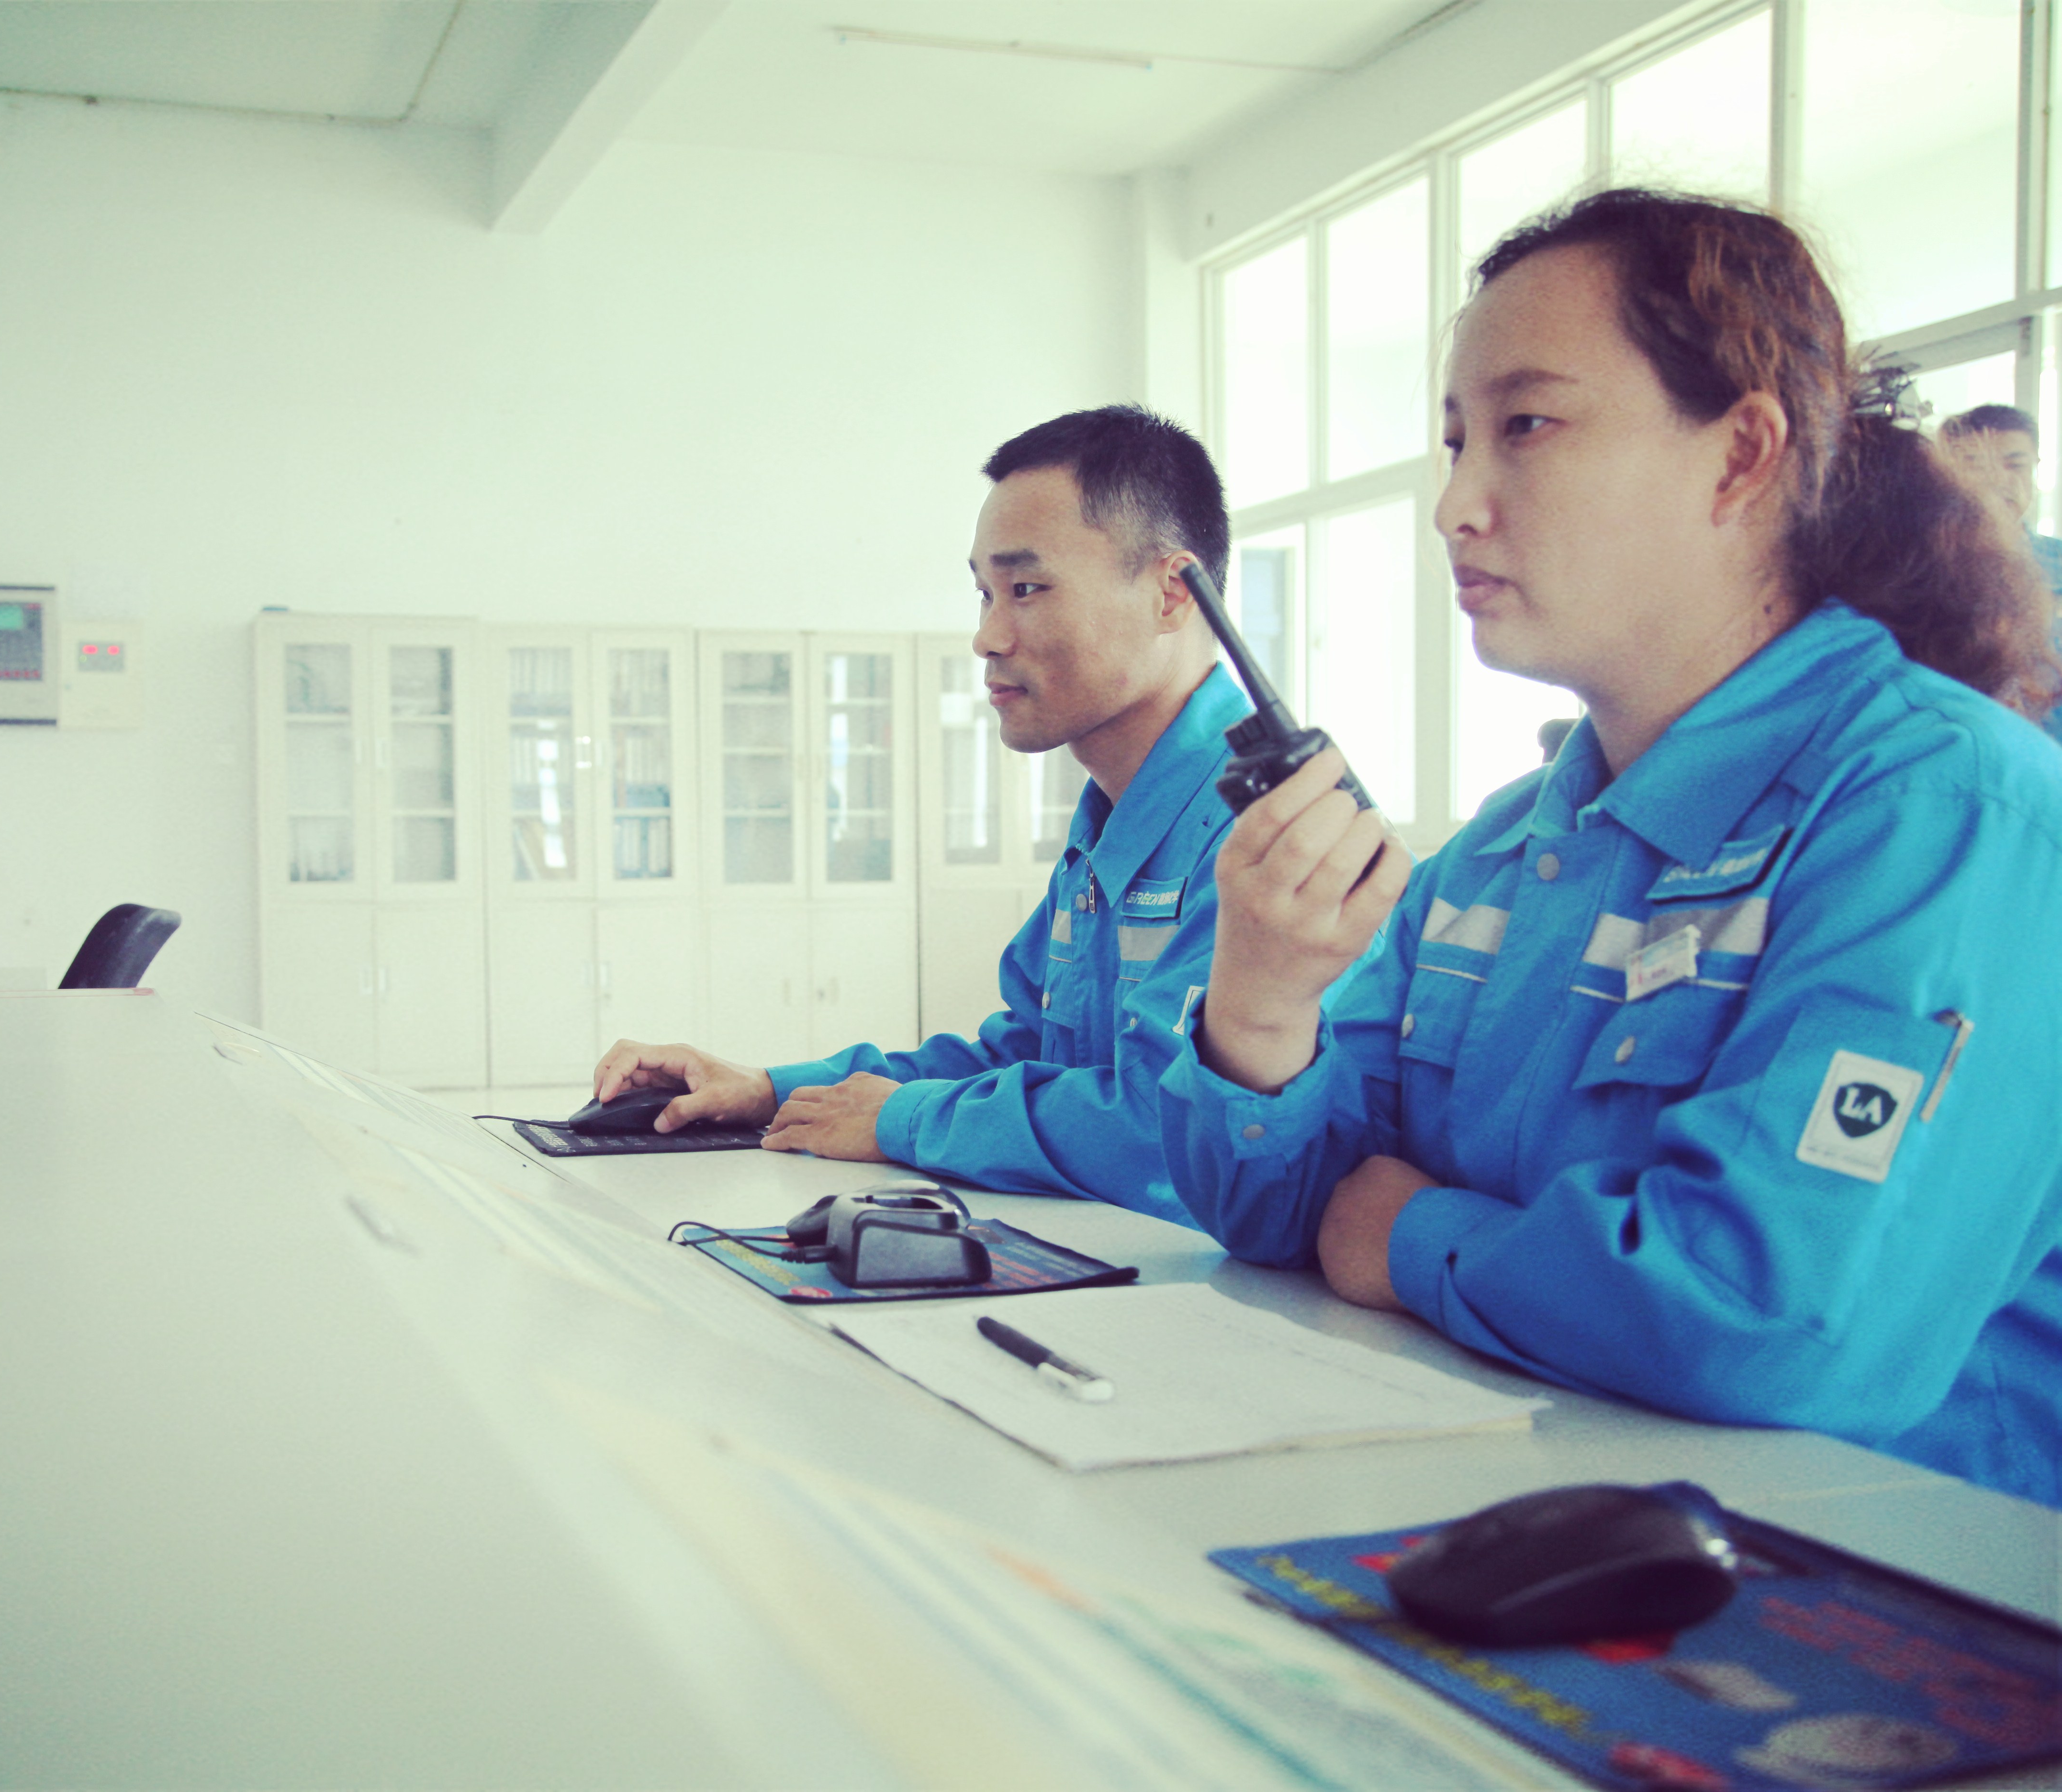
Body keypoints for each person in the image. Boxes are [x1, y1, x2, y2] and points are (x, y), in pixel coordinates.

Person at [1162, 188, 2062, 1507]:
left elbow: (1766, 1315)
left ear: (1740, 455)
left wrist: (1408, 1232)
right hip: (1534, 1508)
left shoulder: (1944, 812)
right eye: (1455, 440)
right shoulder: (1505, 847)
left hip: (1880, 1564)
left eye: (1526, 426)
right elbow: (1280, 1211)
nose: (1454, 504)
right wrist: (1258, 1006)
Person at [592, 405, 1249, 1224]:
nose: (987, 636)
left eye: (1026, 589)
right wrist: (767, 1090)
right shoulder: (1110, 823)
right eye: (984, 594)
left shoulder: (1268, 834)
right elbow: (1026, 1055)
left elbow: (1170, 1127)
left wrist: (901, 1119)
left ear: (1171, 592)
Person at [1941, 402, 2062, 747]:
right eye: (1975, 466)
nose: (1998, 481)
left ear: (2036, 468)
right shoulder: (1922, 573)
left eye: (2015, 465)